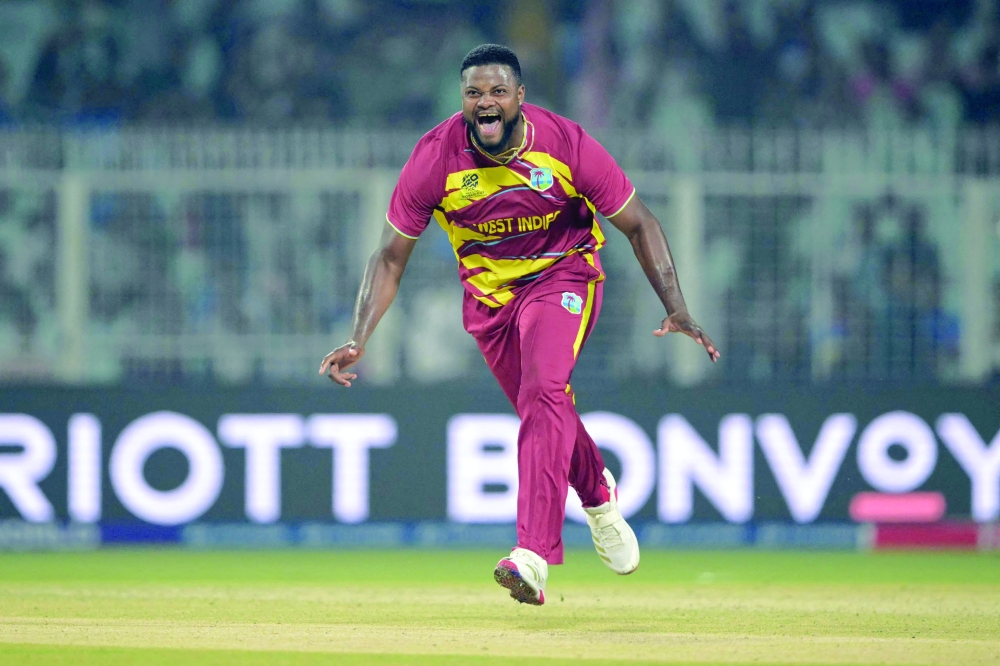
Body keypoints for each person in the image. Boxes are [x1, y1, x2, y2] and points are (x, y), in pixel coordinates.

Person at [320, 44, 720, 606]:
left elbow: (639, 222)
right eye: (474, 93)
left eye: (498, 92)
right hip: (490, 304)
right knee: (545, 406)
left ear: (520, 99)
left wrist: (675, 303)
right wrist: (359, 335)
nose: (485, 103)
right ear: (463, 101)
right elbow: (390, 258)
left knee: (543, 390)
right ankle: (599, 496)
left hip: (563, 278)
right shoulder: (435, 157)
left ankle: (531, 555)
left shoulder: (565, 144)